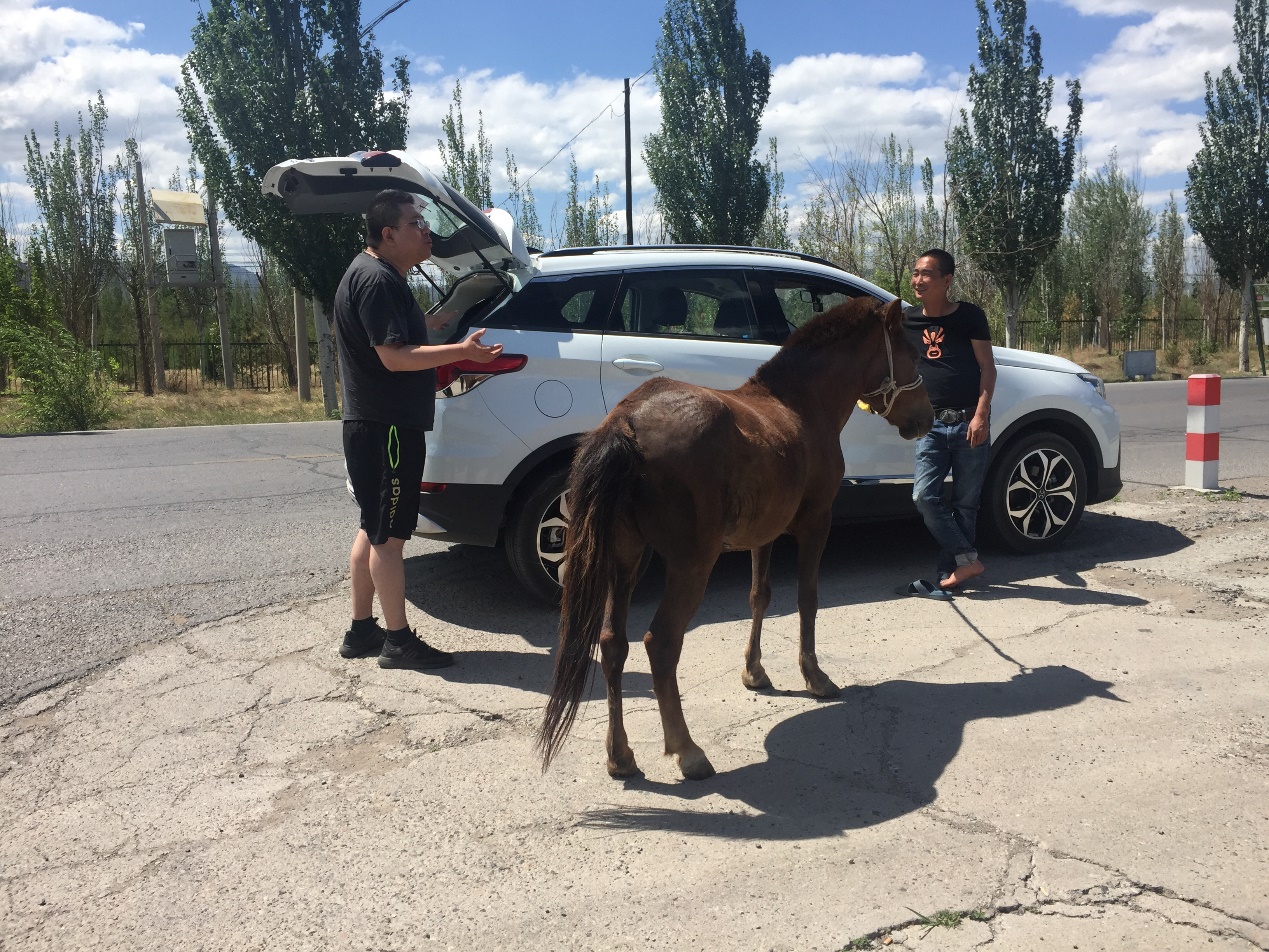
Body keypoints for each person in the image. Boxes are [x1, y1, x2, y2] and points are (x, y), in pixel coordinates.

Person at [334, 188, 503, 668]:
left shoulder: (374, 273)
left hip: (374, 423)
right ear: (389, 234)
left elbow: (394, 338)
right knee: (390, 537)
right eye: (415, 223)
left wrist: (436, 323)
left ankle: (361, 631)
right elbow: (393, 356)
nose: (426, 231)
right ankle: (398, 642)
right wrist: (461, 352)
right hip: (387, 428)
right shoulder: (379, 280)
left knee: (372, 528)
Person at [903, 249, 997, 593]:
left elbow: (988, 367)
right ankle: (968, 559)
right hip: (930, 424)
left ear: (947, 280)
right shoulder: (906, 320)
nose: (918, 280)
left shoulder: (970, 316)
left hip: (969, 420)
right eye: (915, 273)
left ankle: (950, 576)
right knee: (924, 497)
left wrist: (981, 415)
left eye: (926, 274)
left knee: (965, 504)